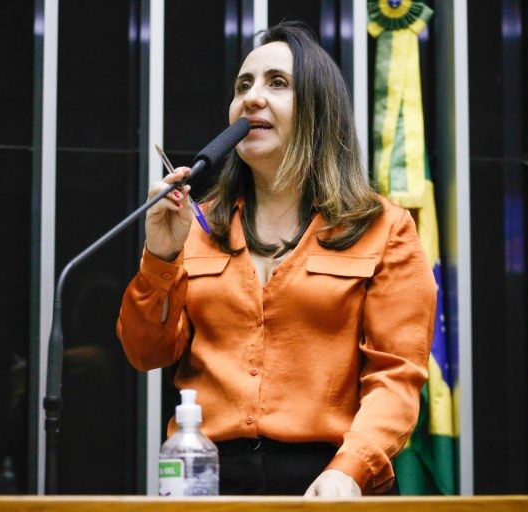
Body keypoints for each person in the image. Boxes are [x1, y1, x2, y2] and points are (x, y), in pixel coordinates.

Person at [116, 21, 436, 496]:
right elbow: (146, 353)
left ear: (318, 112)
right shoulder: (197, 225)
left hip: (329, 483)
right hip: (207, 480)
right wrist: (162, 252)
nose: (252, 98)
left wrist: (349, 469)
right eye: (243, 86)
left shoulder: (384, 228)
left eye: (277, 84)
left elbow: (395, 378)